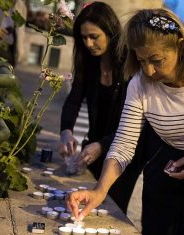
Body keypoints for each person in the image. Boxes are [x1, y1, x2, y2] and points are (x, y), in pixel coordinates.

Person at [66, 8, 184, 235]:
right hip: (167, 163)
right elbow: (124, 144)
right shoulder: (139, 82)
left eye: (156, 60)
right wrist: (100, 190)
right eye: (141, 60)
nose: (148, 70)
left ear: (179, 44)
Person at [59, 2, 146, 213]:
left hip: (126, 154)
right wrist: (66, 131)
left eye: (94, 36)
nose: (88, 43)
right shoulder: (88, 61)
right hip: (96, 145)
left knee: (112, 210)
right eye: (83, 37)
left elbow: (138, 122)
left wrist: (103, 145)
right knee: (89, 206)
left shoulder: (130, 62)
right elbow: (73, 99)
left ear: (110, 32)